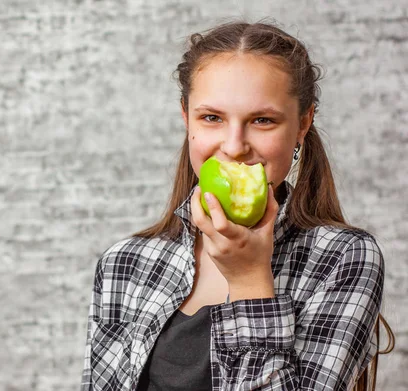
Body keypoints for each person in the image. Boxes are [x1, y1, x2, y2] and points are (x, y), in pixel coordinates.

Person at [80, 19, 394, 391]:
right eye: (211, 118)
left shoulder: (342, 259)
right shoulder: (126, 264)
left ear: (302, 123)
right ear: (186, 118)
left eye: (262, 120)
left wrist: (249, 279)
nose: (233, 146)